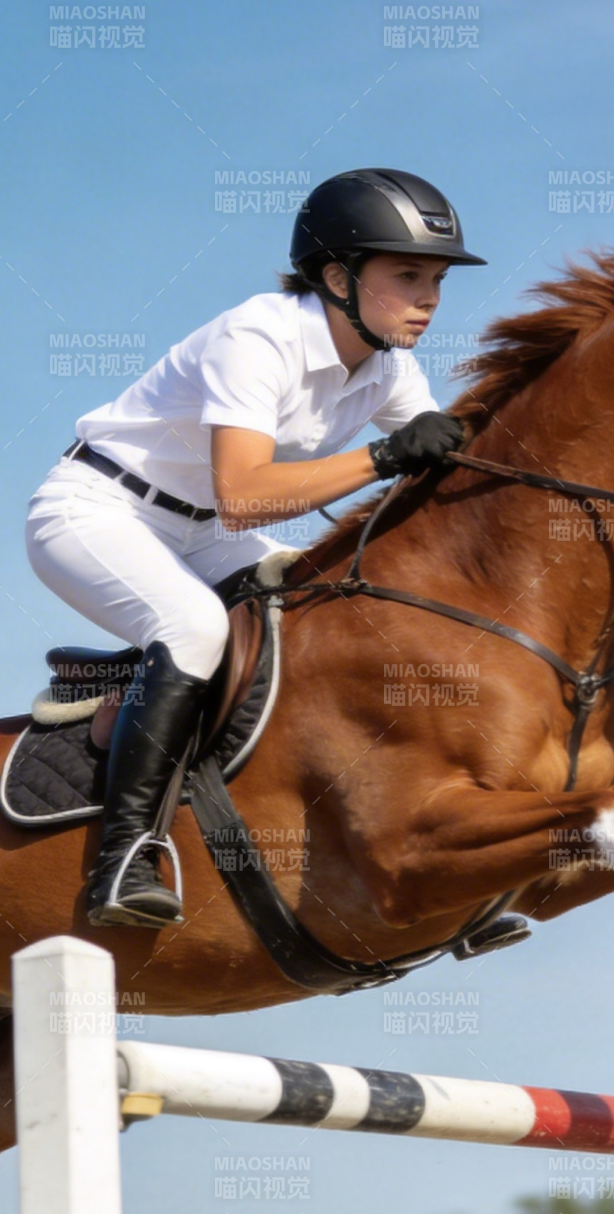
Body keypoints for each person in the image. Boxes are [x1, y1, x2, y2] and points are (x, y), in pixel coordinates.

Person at [25, 167, 485, 929]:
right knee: (194, 627)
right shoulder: (257, 336)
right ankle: (124, 858)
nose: (430, 297)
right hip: (98, 508)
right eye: (408, 276)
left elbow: (443, 460)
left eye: (437, 279)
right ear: (336, 277)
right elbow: (243, 495)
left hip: (204, 531)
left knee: (326, 609)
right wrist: (383, 457)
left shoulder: (388, 368)